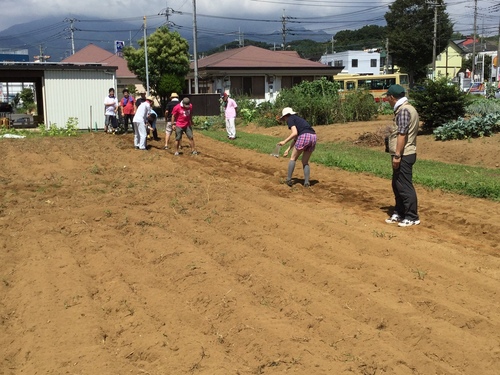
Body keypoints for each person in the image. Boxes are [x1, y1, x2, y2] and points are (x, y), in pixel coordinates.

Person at [384, 84, 420, 227]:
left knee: (404, 185)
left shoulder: (404, 111)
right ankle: (399, 212)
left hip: (405, 154)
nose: (387, 100)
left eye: (388, 97)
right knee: (397, 184)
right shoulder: (406, 108)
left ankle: (412, 216)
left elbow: (402, 134)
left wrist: (397, 155)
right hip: (404, 153)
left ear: (392, 97)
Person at [277, 107, 317, 187]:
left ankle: (288, 180)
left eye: (284, 118)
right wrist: (288, 149)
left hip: (304, 136)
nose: (285, 120)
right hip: (313, 137)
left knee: (293, 159)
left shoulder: (290, 119)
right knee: (305, 162)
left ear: (285, 116)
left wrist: (284, 141)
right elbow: (296, 138)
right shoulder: (298, 119)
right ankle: (306, 182)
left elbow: (294, 133)